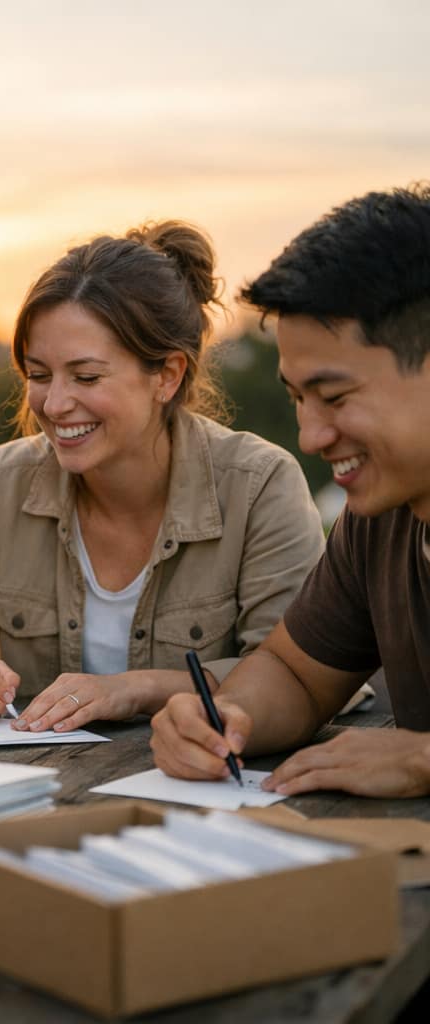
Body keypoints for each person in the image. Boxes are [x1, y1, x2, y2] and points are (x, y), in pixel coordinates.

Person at [0, 221, 325, 728]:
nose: (54, 404)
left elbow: (294, 675)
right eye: (38, 375)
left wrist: (135, 690)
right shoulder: (1, 482)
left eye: (86, 376)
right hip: (33, 775)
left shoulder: (259, 487)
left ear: (167, 376)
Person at [151, 185, 430, 798]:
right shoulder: (379, 518)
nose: (310, 436)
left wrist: (421, 759)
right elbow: (296, 673)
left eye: (334, 397)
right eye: (297, 398)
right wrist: (228, 717)